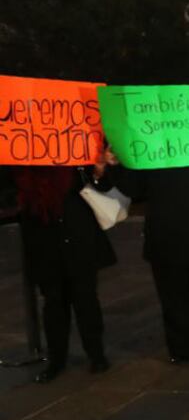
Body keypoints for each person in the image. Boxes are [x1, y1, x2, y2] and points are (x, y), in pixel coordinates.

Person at [108, 142, 189, 363]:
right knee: (174, 298)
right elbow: (135, 189)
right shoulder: (150, 145)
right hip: (167, 235)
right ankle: (181, 347)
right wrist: (116, 165)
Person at [15, 163, 117, 383]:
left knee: (85, 298)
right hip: (43, 236)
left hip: (77, 232)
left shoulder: (77, 156)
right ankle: (57, 359)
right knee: (53, 301)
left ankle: (96, 354)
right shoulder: (23, 164)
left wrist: (99, 172)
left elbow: (104, 184)